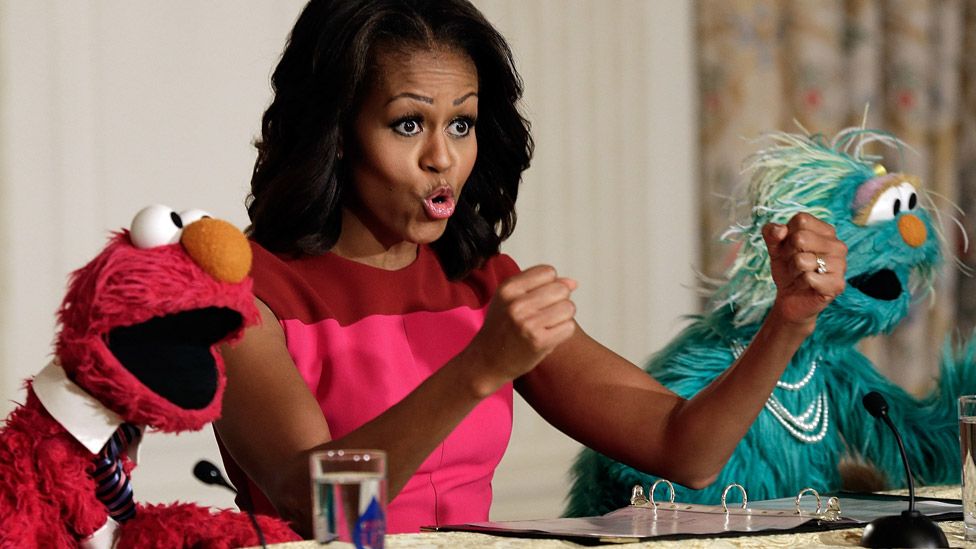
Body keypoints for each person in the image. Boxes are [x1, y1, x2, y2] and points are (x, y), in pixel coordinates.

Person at [213, 0, 848, 539]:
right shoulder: (244, 299)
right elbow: (325, 514)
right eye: (408, 124)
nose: (443, 157)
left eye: (460, 123)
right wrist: (478, 369)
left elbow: (689, 450)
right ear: (337, 133)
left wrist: (788, 322)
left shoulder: (483, 283)